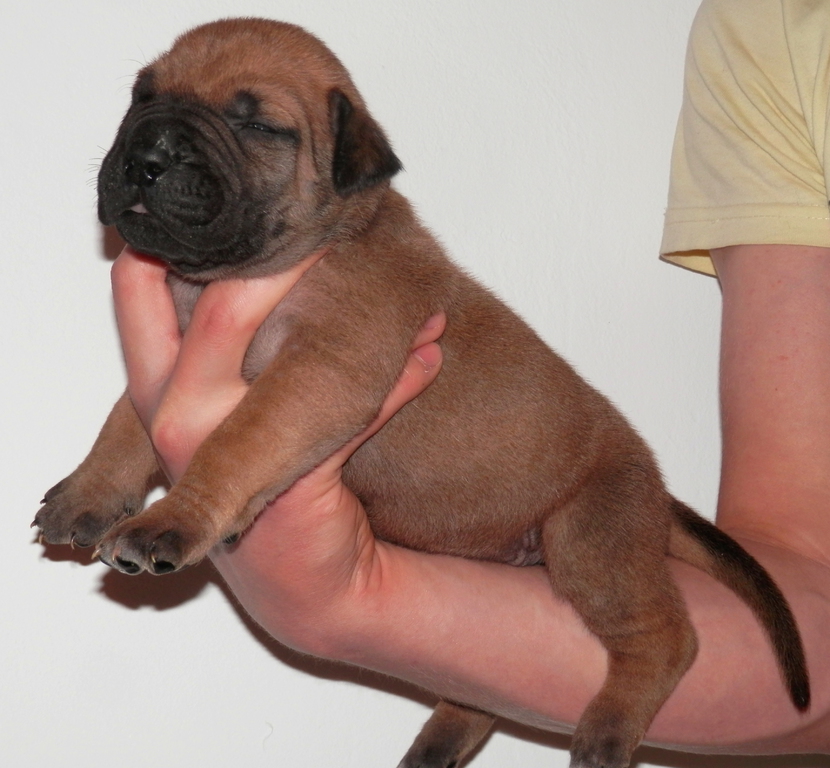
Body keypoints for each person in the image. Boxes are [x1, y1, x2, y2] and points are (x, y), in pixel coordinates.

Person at [111, 0, 830, 758]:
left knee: (605, 577)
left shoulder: (363, 269)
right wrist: (108, 480)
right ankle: (471, 701)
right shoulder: (769, 25)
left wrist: (202, 501)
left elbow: (325, 384)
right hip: (451, 514)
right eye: (148, 99)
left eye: (255, 125)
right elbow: (808, 561)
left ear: (347, 168)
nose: (157, 143)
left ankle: (648, 657)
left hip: (579, 480)